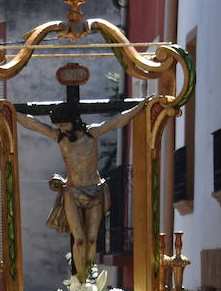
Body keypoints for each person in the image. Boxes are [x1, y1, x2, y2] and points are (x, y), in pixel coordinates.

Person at [14, 101, 142, 280]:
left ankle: (89, 279)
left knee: (91, 239)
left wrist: (140, 107)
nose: (62, 128)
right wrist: (11, 112)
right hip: (72, 193)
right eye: (59, 125)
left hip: (95, 191)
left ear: (74, 120)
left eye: (64, 124)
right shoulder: (59, 137)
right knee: (79, 239)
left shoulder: (92, 133)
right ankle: (80, 281)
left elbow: (117, 121)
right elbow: (33, 124)